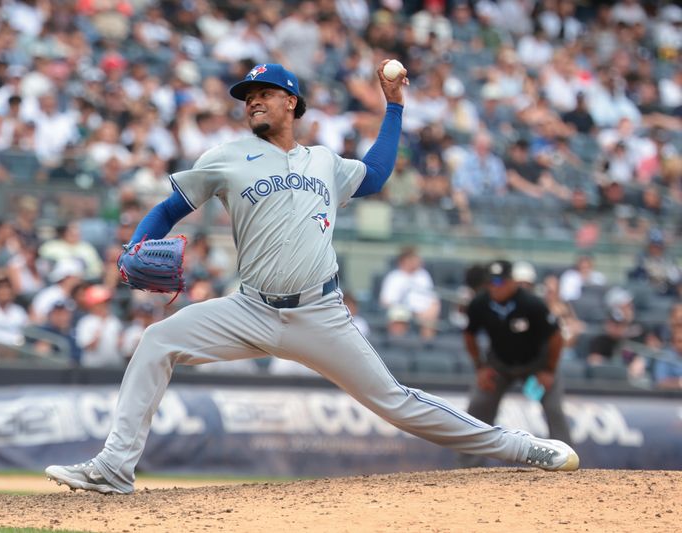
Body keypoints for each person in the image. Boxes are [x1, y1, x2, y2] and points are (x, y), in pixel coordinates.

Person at [45, 62, 578, 495]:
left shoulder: (323, 160)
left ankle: (518, 446)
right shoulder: (225, 158)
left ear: (291, 103)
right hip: (249, 309)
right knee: (158, 339)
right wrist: (137, 242)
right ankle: (115, 468)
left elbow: (376, 175)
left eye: (265, 92)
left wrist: (394, 106)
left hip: (319, 313)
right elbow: (167, 211)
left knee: (395, 401)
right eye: (247, 94)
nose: (252, 99)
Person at [460, 260, 572, 466]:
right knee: (478, 404)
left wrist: (549, 370)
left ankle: (565, 460)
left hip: (536, 366)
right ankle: (469, 465)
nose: (496, 287)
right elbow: (469, 335)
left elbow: (557, 338)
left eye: (500, 282)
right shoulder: (480, 303)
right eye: (491, 282)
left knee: (554, 408)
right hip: (500, 365)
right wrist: (480, 367)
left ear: (512, 282)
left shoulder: (530, 303)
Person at [378, 247, 441, 340]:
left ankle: (427, 349)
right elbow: (385, 301)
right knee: (399, 318)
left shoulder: (423, 275)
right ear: (405, 260)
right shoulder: (394, 277)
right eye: (415, 258)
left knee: (430, 319)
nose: (419, 260)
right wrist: (412, 312)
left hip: (424, 315)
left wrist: (430, 311)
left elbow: (433, 299)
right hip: (403, 312)